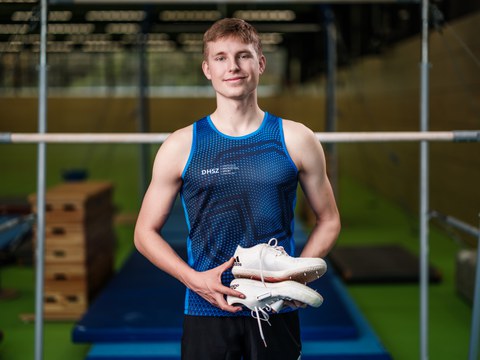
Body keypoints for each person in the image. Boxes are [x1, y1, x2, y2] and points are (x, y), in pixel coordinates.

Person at [134, 18, 341, 360]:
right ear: (207, 69)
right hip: (206, 310)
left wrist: (293, 277)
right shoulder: (181, 145)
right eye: (220, 57)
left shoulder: (297, 138)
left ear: (260, 63)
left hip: (276, 312)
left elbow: (329, 219)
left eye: (243, 56)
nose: (232, 66)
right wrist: (193, 279)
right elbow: (144, 232)